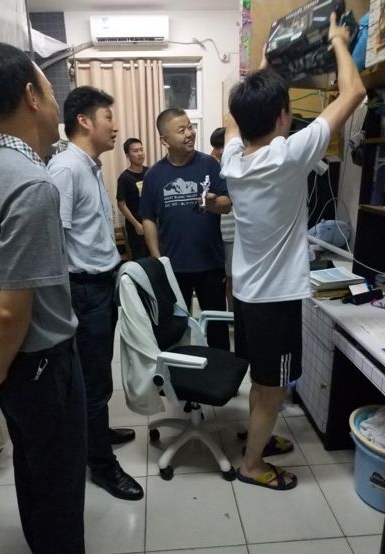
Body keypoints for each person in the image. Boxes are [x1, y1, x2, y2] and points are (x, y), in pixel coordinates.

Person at [221, 13, 366, 490]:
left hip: (247, 295)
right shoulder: (288, 155)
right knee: (275, 387)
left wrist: (266, 63)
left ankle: (256, 440)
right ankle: (252, 465)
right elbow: (353, 93)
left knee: (263, 380)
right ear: (283, 117)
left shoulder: (233, 159)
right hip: (275, 301)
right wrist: (339, 40)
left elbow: (234, 117)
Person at [0, 43, 87, 553]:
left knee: (34, 470)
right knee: (60, 487)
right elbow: (11, 308)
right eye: (48, 87)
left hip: (10, 362)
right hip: (40, 364)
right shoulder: (32, 185)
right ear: (31, 96)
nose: (56, 99)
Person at [48, 86, 143, 501]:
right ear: (84, 121)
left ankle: (97, 434)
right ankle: (101, 466)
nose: (115, 126)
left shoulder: (89, 166)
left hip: (101, 285)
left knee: (98, 373)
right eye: (108, 117)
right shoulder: (66, 169)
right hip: (83, 290)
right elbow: (53, 241)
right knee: (92, 382)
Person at [140, 108, 231, 350]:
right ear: (165, 140)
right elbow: (148, 218)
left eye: (190, 127)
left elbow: (227, 205)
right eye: (181, 130)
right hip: (173, 267)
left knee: (217, 327)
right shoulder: (154, 175)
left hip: (210, 264)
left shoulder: (209, 164)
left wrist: (213, 203)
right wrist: (158, 260)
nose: (189, 133)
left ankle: (220, 369)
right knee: (176, 328)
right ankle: (180, 369)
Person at [210, 127, 235, 311]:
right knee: (224, 278)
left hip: (236, 231)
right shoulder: (212, 167)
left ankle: (235, 315)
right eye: (216, 147)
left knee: (235, 278)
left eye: (222, 146)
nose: (220, 151)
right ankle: (229, 316)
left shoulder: (239, 164)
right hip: (217, 232)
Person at [116, 138, 149, 259]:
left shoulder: (150, 172)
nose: (140, 153)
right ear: (127, 155)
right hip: (136, 227)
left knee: (156, 259)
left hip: (151, 223)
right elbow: (121, 204)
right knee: (141, 259)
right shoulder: (124, 178)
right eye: (135, 151)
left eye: (141, 150)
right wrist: (136, 224)